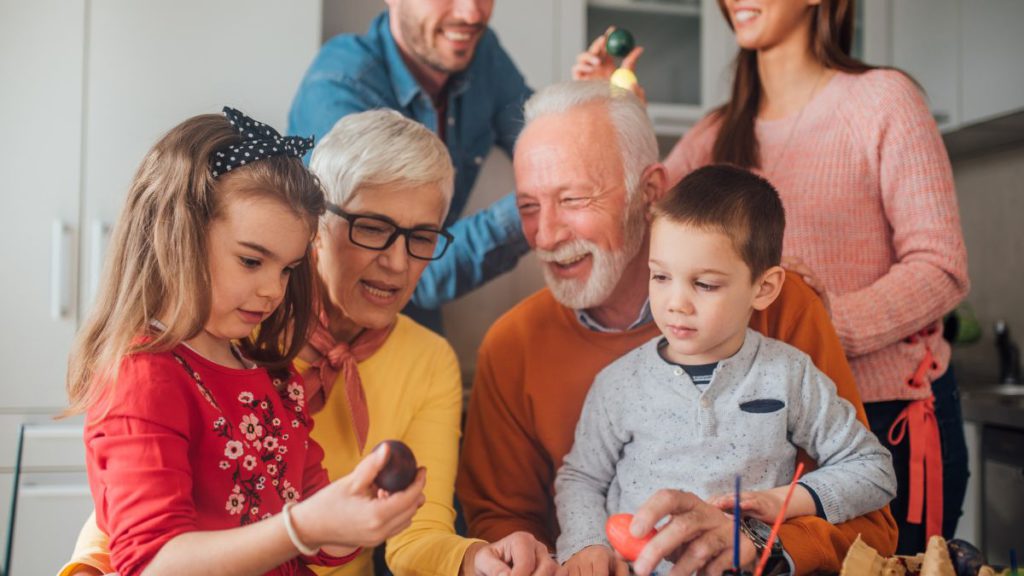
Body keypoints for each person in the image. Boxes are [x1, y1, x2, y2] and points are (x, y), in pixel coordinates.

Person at [60, 111, 559, 576]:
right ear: (321, 229)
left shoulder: (267, 364)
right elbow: (136, 531)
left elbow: (354, 525)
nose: (397, 262)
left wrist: (375, 521)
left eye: (422, 237)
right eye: (373, 229)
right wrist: (308, 525)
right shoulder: (202, 344)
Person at [456, 81, 898, 576]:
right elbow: (504, 523)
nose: (547, 233)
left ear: (648, 193)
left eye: (574, 199)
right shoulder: (511, 345)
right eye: (528, 207)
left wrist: (756, 542)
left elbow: (872, 518)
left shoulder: (783, 311)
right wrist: (563, 555)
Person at [600, 0, 964, 554]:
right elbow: (644, 230)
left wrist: (814, 323)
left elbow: (941, 266)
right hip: (766, 430)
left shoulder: (884, 100)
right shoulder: (715, 134)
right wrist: (619, 122)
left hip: (886, 417)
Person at [554, 164, 896, 575]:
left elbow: (874, 471)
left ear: (764, 288)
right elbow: (581, 479)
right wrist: (585, 545)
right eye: (660, 276)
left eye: (705, 285)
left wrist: (783, 501)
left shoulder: (789, 374)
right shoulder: (618, 383)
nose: (675, 302)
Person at [289, 0, 533, 332]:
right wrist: (537, 205)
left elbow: (538, 135)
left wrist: (585, 116)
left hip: (414, 323)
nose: (471, 14)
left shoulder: (482, 51)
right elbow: (418, 271)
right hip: (320, 327)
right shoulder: (340, 85)